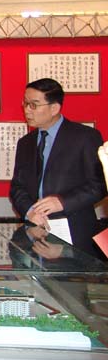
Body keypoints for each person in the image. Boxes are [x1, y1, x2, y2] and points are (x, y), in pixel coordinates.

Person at [10, 78, 107, 258]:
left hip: (74, 234)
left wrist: (62, 202)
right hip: (35, 233)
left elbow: (100, 185)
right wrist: (30, 211)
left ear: (54, 108)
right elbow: (17, 187)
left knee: (71, 277)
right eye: (25, 103)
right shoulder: (25, 143)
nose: (27, 110)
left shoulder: (85, 137)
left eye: (34, 105)